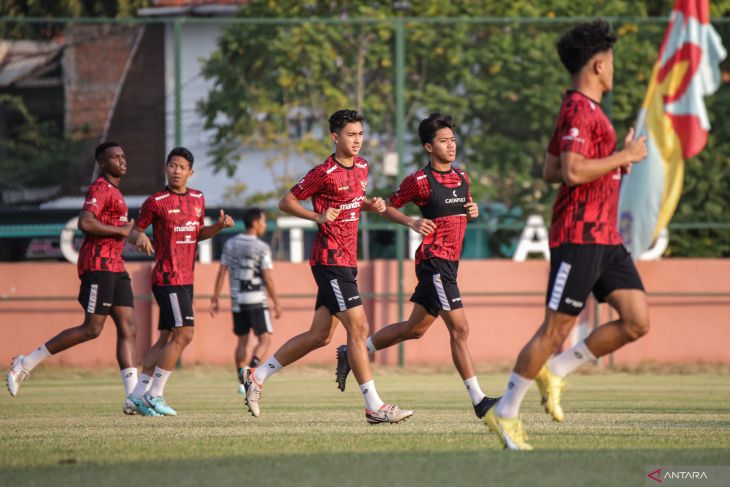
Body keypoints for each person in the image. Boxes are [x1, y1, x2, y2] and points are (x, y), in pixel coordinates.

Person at [484, 20, 649, 450]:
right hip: (579, 234)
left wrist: (615, 161)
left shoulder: (582, 109)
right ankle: (504, 413)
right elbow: (572, 173)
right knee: (554, 330)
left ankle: (556, 371)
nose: (614, 69)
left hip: (605, 236)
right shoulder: (578, 108)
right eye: (611, 62)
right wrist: (623, 155)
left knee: (635, 321)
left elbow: (551, 168)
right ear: (597, 65)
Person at [243, 109, 413, 424]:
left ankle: (257, 376)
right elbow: (287, 201)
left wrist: (370, 205)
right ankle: (374, 407)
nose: (358, 140)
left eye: (361, 134)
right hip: (329, 260)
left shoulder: (363, 167)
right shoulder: (323, 172)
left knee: (319, 336)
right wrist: (317, 216)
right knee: (359, 329)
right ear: (335, 137)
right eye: (351, 134)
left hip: (347, 261)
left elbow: (351, 201)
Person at [334, 113, 500, 419]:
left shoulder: (463, 177)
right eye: (443, 141)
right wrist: (412, 222)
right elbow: (389, 206)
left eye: (452, 140)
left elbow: (463, 207)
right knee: (460, 329)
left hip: (450, 263)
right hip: (434, 261)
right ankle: (479, 401)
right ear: (428, 146)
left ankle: (353, 352)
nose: (451, 146)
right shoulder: (419, 181)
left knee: (415, 329)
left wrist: (471, 210)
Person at [6, 142, 151, 414]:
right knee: (92, 328)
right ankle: (24, 363)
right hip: (98, 265)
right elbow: (86, 222)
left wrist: (136, 235)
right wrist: (121, 232)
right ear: (102, 164)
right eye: (115, 157)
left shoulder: (117, 193)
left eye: (123, 155)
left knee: (128, 327)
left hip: (116, 266)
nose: (122, 160)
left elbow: (122, 230)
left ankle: (132, 398)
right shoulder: (100, 188)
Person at [124, 147, 234, 417]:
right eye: (172, 165)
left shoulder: (197, 198)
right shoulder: (156, 201)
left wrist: (218, 227)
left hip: (186, 278)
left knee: (166, 339)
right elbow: (133, 231)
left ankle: (135, 398)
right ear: (165, 169)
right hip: (167, 277)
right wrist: (139, 237)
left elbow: (197, 234)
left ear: (190, 173)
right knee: (185, 334)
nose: (176, 170)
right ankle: (155, 395)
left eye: (181, 167)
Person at [210, 207, 281, 394]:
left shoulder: (230, 244)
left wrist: (215, 298)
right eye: (264, 221)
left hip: (237, 300)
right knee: (265, 339)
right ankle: (251, 370)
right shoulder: (261, 247)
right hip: (256, 299)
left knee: (242, 341)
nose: (264, 225)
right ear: (256, 222)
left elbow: (221, 270)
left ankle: (241, 382)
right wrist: (276, 302)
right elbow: (268, 277)